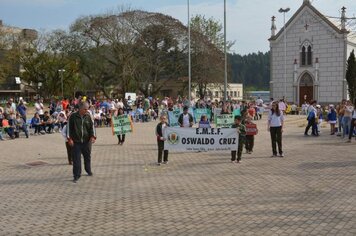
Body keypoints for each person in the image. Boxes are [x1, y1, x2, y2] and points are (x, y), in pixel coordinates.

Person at [67, 102, 96, 183]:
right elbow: (68, 128)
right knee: (76, 160)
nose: (87, 111)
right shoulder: (73, 116)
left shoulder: (88, 116)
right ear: (80, 108)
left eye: (87, 109)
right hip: (76, 142)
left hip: (87, 142)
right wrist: (69, 139)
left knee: (87, 157)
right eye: (85, 109)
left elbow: (92, 127)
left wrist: (93, 137)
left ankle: (88, 170)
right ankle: (76, 175)